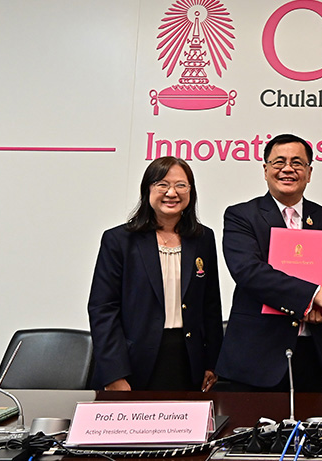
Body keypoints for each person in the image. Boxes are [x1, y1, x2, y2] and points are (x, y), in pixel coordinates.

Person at [215, 134, 322, 392]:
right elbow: (250, 273)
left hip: (310, 355)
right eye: (279, 162)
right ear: (265, 169)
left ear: (309, 172)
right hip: (255, 358)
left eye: (297, 163)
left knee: (307, 431)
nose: (288, 169)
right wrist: (313, 296)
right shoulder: (241, 216)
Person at [88, 156, 223, 391]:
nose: (172, 192)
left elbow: (211, 305)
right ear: (147, 189)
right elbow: (103, 310)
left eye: (181, 185)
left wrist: (212, 363)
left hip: (188, 361)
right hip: (133, 363)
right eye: (162, 184)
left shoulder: (203, 238)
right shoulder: (119, 240)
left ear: (191, 192)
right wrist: (114, 374)